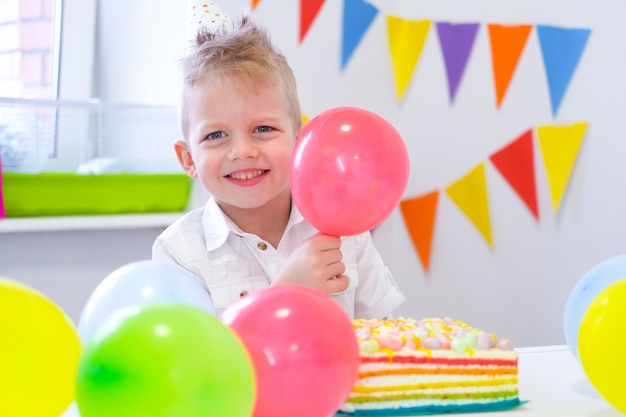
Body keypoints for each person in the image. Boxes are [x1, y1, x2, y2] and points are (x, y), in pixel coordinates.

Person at [152, 13, 405, 319]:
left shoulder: (346, 235)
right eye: (216, 135)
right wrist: (285, 293)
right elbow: (196, 361)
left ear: (300, 141)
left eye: (263, 129)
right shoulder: (179, 253)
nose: (242, 151)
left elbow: (384, 335)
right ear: (188, 159)